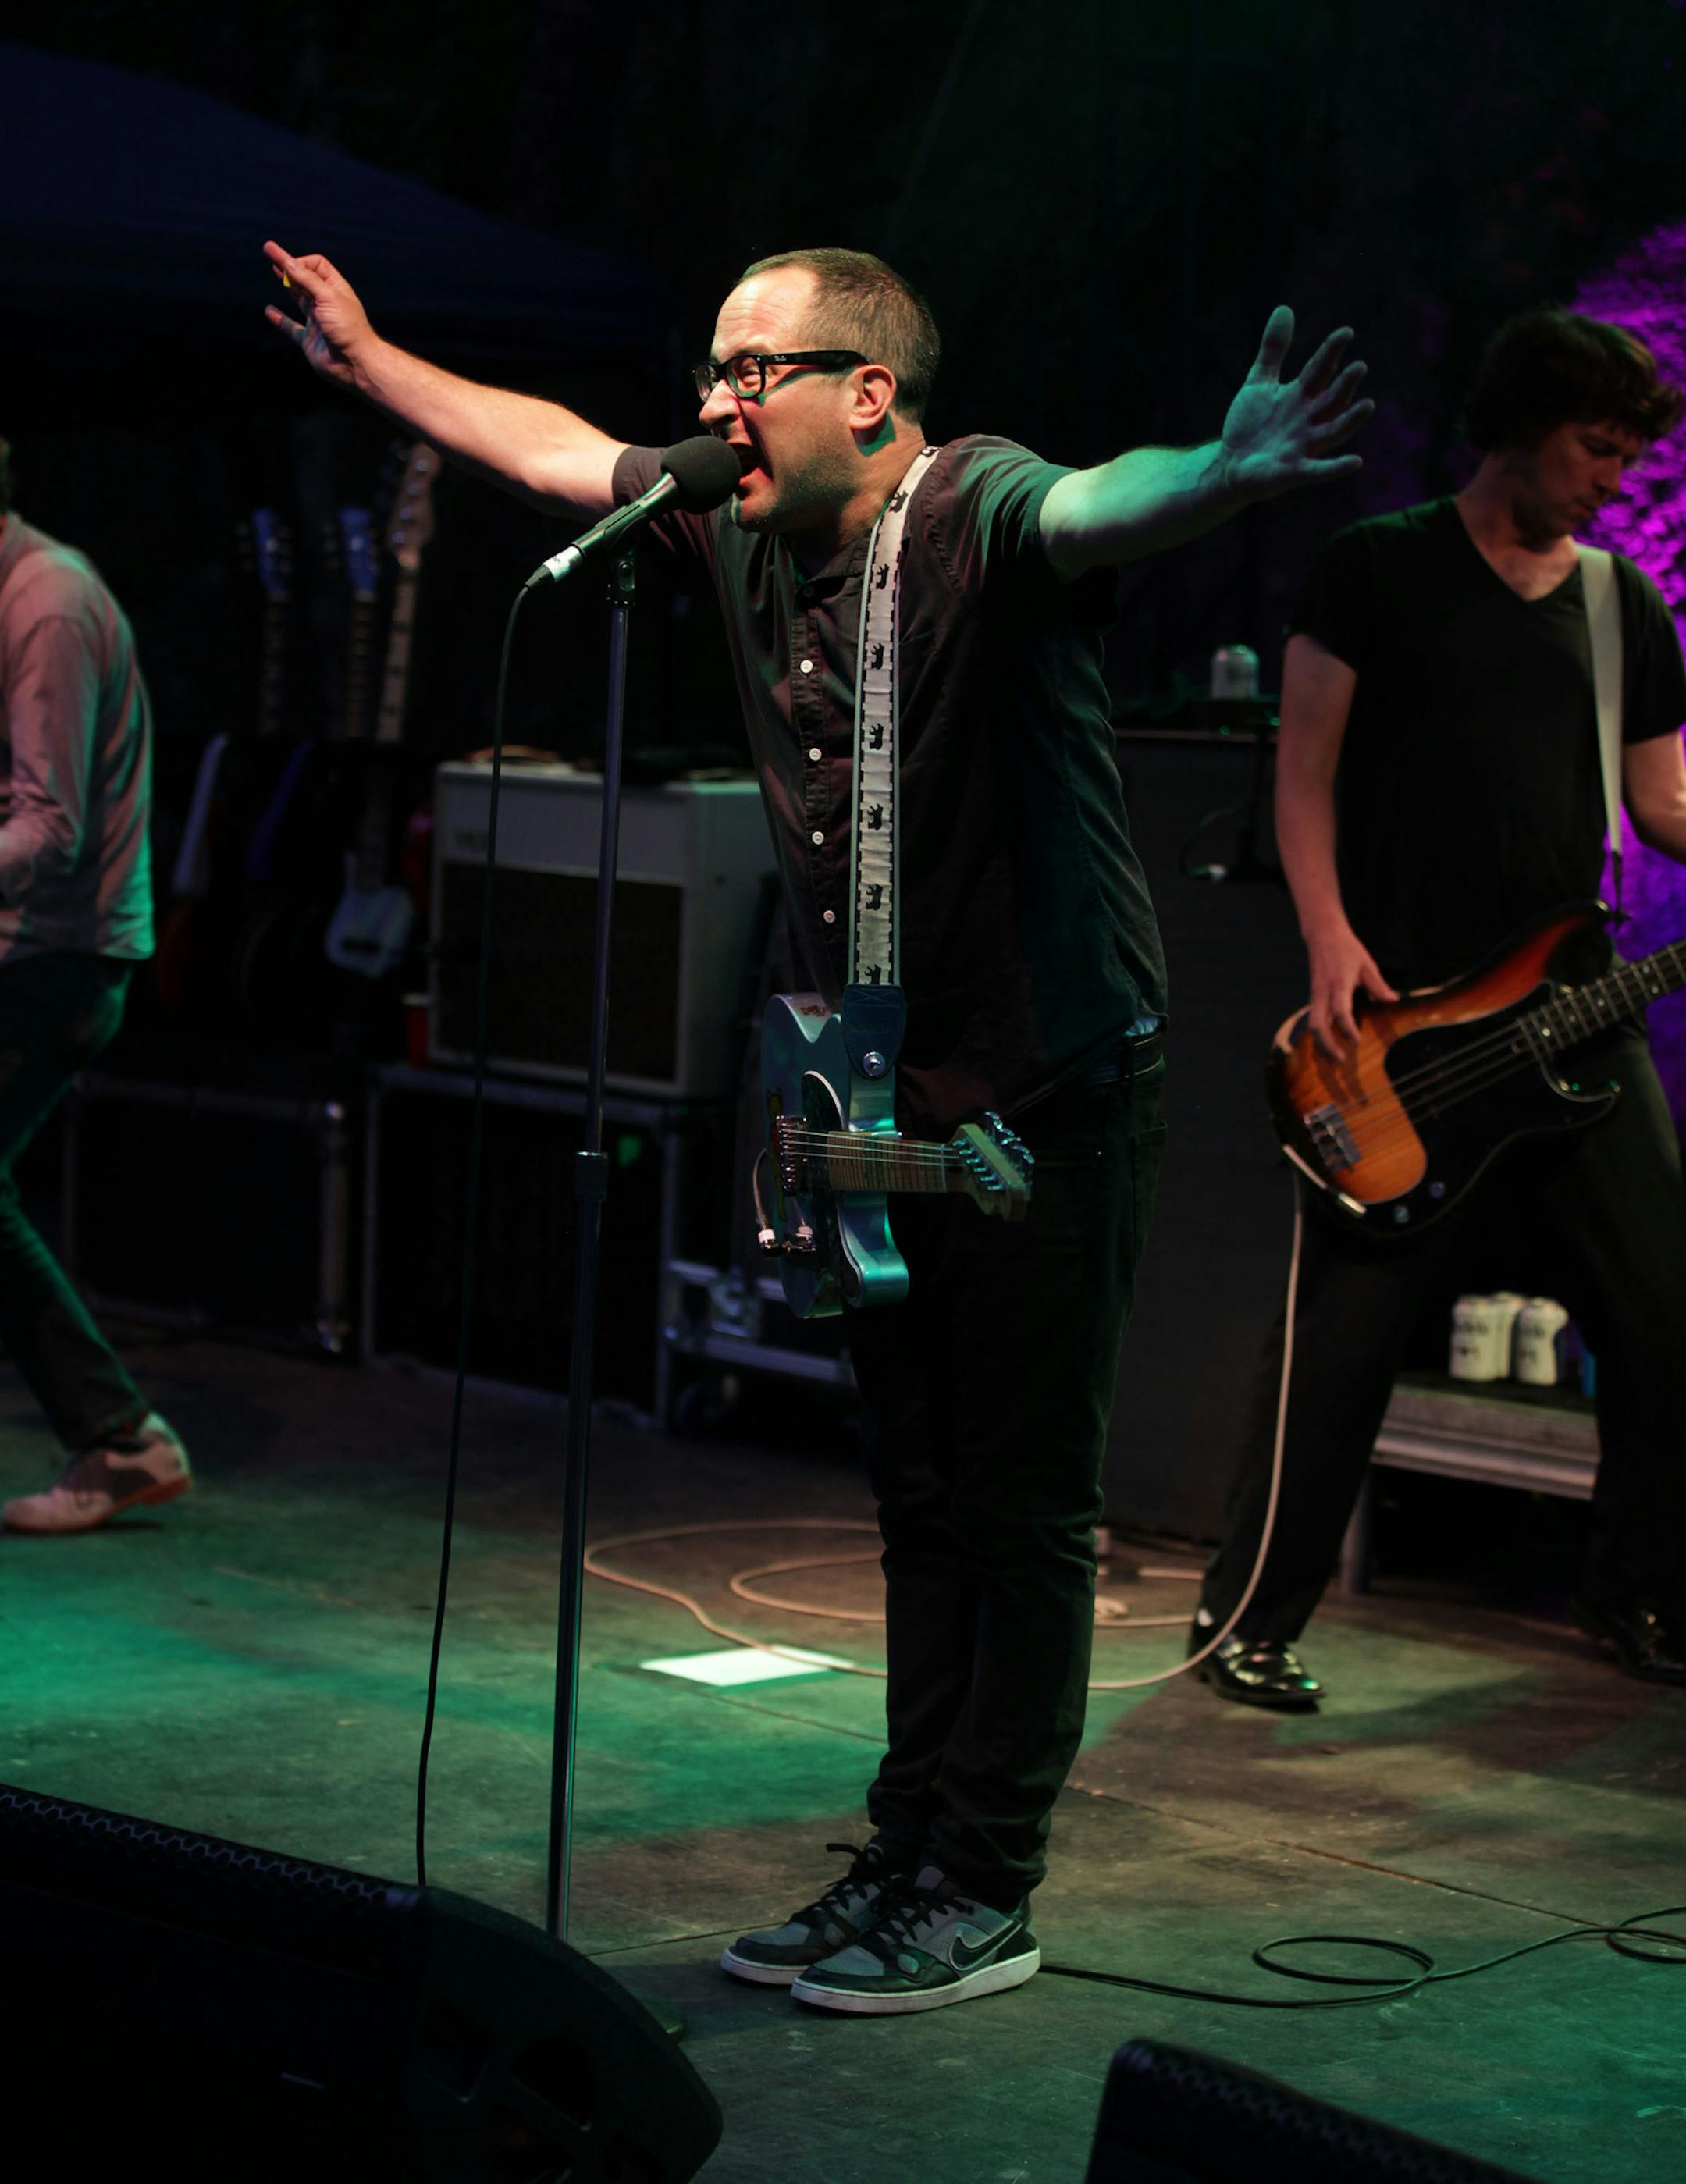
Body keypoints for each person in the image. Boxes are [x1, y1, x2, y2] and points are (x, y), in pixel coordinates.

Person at [265, 237, 1370, 2011]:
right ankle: (904, 1853)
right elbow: (553, 452)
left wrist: (1224, 473)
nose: (716, 401)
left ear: (865, 393)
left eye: (750, 369)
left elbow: (1098, 505)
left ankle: (984, 1885)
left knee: (1019, 1500)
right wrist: (375, 354)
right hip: (868, 1088)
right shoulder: (737, 526)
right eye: (712, 368)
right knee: (918, 1488)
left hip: (1039, 1088)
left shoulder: (970, 505)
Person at [1193, 309, 1686, 1709]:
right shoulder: (1377, 568)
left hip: (1577, 1017)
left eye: (1629, 453)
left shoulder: (1623, 605)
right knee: (1342, 1344)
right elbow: (1302, 774)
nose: (1613, 478)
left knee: (1667, 1313)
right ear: (1520, 425)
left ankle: (1636, 1590)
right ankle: (1247, 1621)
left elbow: (1661, 802)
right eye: (1595, 447)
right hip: (1400, 1024)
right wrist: (1328, 933)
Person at [0, 436, 190, 1536]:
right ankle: (118, 1436)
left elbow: (51, 826)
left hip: (57, 957)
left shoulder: (48, 606)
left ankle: (120, 1437)